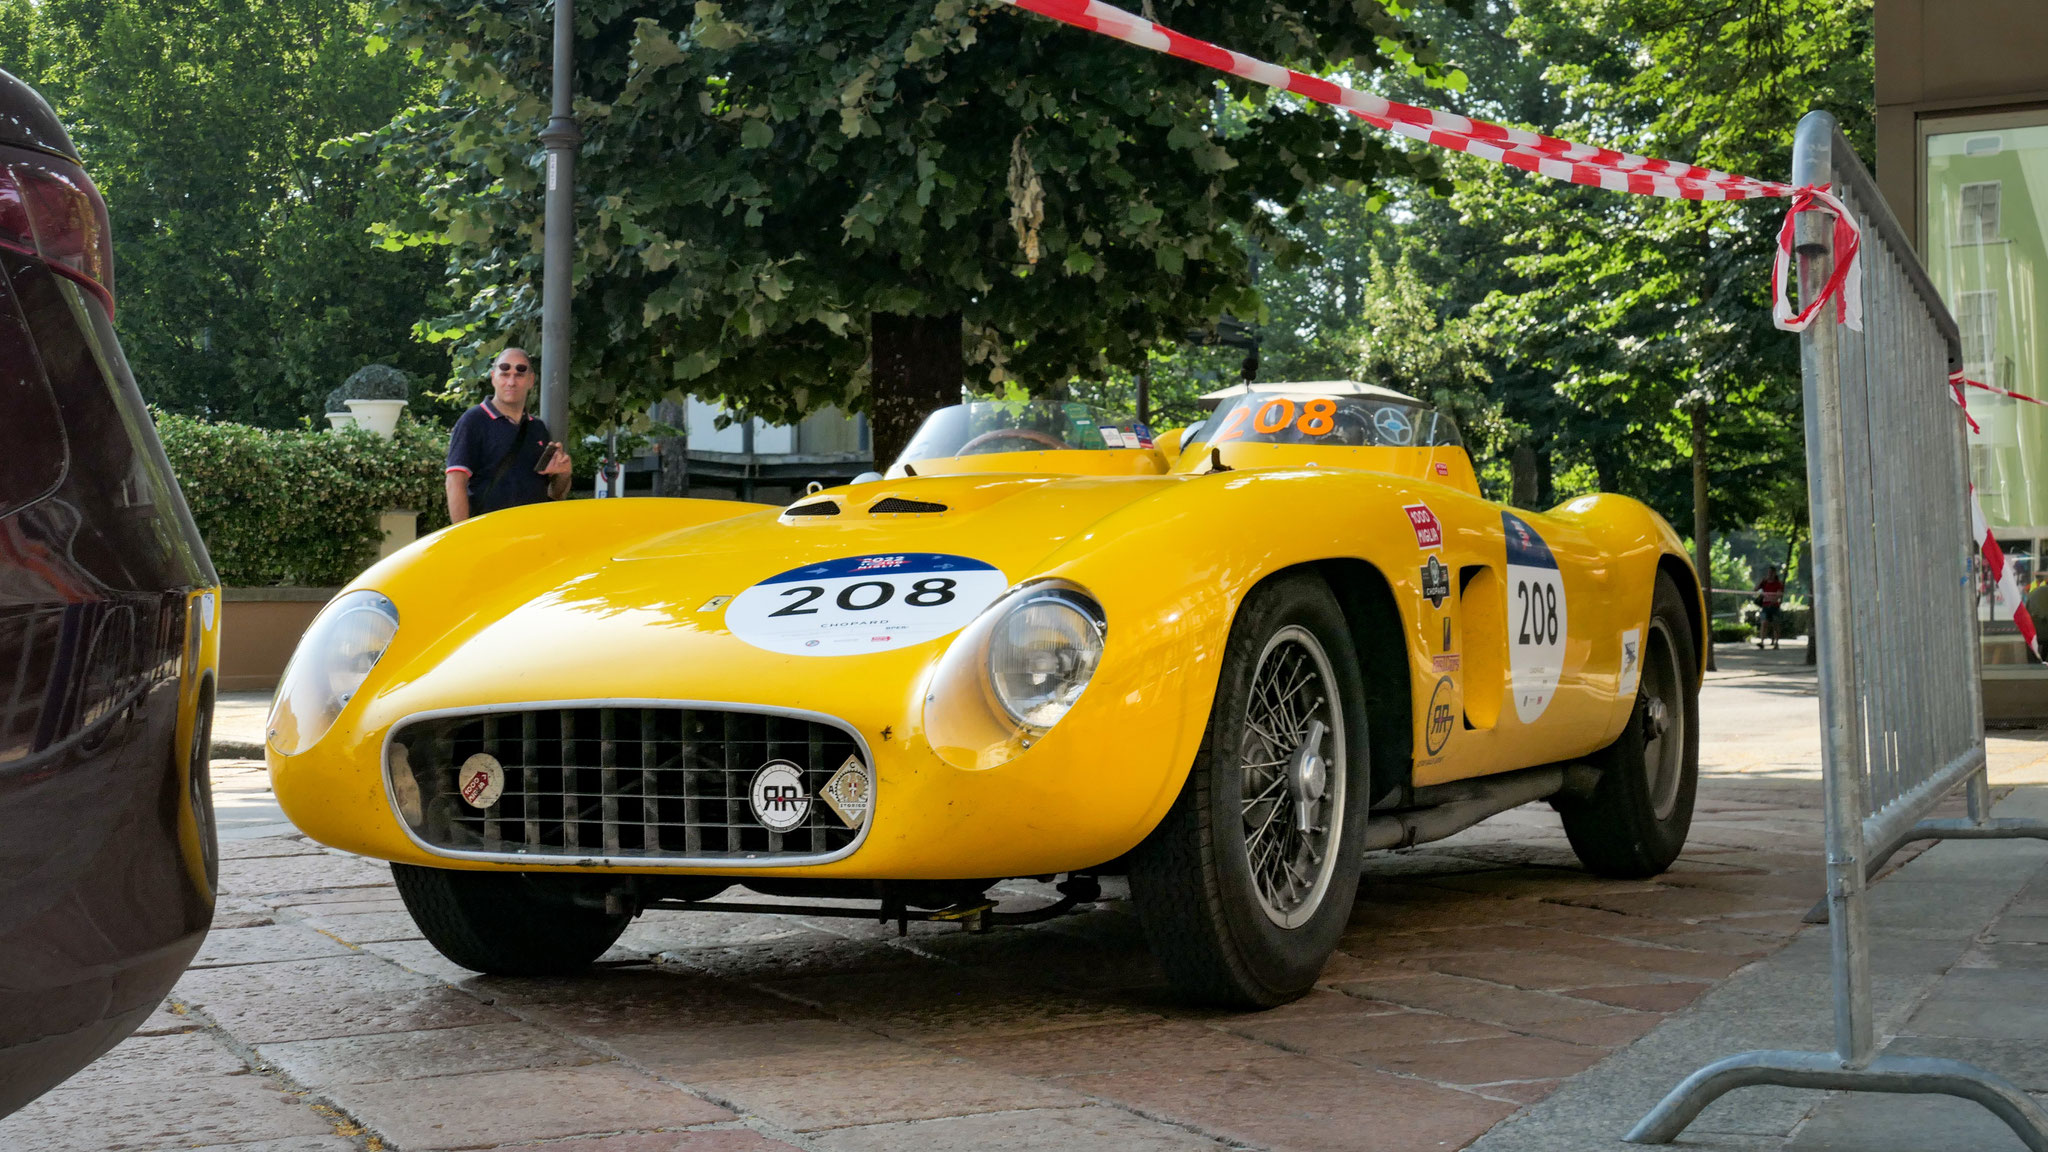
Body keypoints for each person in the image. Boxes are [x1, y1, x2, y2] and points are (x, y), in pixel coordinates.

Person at [444, 346, 573, 522]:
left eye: (519, 374)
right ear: (493, 378)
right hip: (489, 534)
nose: (511, 382)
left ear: (531, 380)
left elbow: (555, 494)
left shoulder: (538, 429)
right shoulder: (473, 421)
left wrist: (564, 474)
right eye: (505, 374)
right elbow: (454, 483)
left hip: (532, 535)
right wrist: (462, 538)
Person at [1754, 565, 1786, 650]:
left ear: (1774, 573)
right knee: (1764, 623)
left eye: (1771, 572)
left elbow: (1779, 595)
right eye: (1768, 572)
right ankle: (1762, 642)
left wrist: (1773, 600)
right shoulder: (1764, 582)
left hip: (1774, 606)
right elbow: (1755, 589)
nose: (1770, 574)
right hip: (1765, 606)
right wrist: (1761, 582)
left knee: (1775, 625)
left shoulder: (1778, 584)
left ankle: (1776, 643)